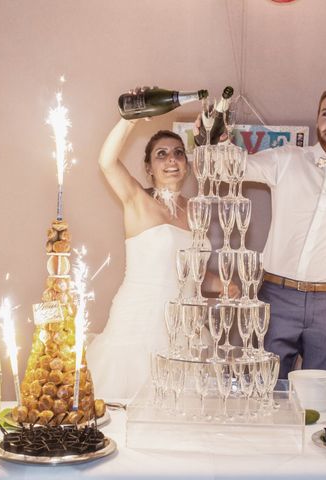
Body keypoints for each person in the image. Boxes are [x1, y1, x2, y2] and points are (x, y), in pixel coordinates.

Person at [87, 117, 237, 399]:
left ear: (187, 164)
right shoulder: (137, 199)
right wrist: (127, 119)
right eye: (162, 154)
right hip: (142, 321)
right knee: (130, 405)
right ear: (149, 168)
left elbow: (190, 274)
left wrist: (221, 284)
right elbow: (107, 161)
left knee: (183, 409)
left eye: (179, 153)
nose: (172, 160)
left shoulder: (195, 210)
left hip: (187, 327)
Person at [243, 86, 326, 378]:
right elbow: (234, 167)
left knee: (322, 393)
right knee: (266, 387)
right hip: (276, 296)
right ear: (317, 119)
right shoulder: (285, 159)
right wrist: (211, 139)